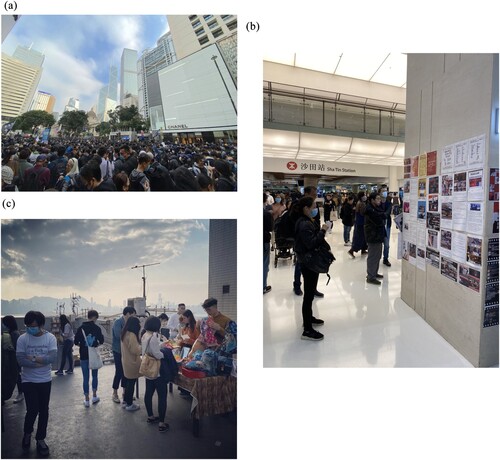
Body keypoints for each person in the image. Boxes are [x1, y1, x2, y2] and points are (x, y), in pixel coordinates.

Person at [16, 311, 57, 456]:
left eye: (33, 326)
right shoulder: (22, 339)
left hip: (45, 380)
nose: (30, 329)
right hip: (28, 380)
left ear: (41, 325)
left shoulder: (50, 338)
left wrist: (32, 358)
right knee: (32, 410)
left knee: (44, 410)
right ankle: (27, 433)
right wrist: (40, 361)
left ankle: (40, 439)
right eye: (28, 326)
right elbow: (21, 360)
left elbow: (51, 358)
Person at [294, 197, 330, 341]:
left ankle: (309, 318)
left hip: (308, 261)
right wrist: (323, 231)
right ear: (306, 208)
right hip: (308, 263)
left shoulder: (306, 221)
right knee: (308, 296)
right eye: (314, 206)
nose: (316, 208)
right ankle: (307, 330)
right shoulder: (304, 224)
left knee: (310, 294)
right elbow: (311, 243)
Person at [141, 316, 169, 432]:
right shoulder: (153, 337)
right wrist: (166, 352)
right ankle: (162, 423)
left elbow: (150, 349)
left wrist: (162, 345)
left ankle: (150, 416)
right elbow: (157, 355)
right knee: (162, 396)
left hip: (148, 367)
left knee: (149, 392)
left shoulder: (144, 335)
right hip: (156, 369)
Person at [74, 310, 104, 407]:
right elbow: (101, 341)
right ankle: (94, 396)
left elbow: (76, 342)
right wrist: (94, 345)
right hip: (93, 355)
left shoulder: (80, 328)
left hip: (83, 355)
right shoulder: (97, 328)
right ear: (94, 317)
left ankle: (87, 400)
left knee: (85, 378)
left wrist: (83, 346)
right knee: (95, 376)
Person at [111, 306, 136, 404]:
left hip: (126, 351)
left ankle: (125, 392)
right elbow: (119, 336)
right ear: (128, 314)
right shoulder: (118, 322)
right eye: (132, 315)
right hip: (118, 350)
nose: (133, 318)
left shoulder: (128, 323)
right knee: (119, 371)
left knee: (126, 371)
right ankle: (115, 392)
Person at [364, 192, 387, 285]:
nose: (379, 200)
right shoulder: (370, 209)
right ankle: (370, 277)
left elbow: (383, 216)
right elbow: (379, 221)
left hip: (377, 235)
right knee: (373, 256)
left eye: (379, 198)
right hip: (373, 236)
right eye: (377, 199)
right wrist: (383, 216)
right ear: (372, 200)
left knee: (377, 255)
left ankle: (374, 273)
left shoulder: (376, 208)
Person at [120, 316, 142, 411]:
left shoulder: (124, 333)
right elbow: (135, 350)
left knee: (128, 382)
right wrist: (142, 346)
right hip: (132, 362)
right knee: (131, 383)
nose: (140, 325)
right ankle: (130, 404)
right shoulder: (132, 335)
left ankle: (125, 402)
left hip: (126, 361)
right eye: (138, 323)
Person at [2, 315, 23, 403]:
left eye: (3, 323)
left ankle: (20, 394)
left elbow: (16, 348)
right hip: (11, 359)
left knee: (16, 376)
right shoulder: (12, 333)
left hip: (13, 360)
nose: (2, 325)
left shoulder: (14, 334)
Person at [348, 191, 368, 258]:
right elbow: (362, 213)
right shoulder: (361, 204)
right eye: (364, 195)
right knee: (359, 237)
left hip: (359, 222)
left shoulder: (359, 203)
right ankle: (352, 250)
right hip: (361, 222)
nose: (365, 196)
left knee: (362, 237)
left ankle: (363, 249)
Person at [379, 185, 393, 267]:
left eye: (385, 191)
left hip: (387, 225)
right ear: (379, 192)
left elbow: (387, 213)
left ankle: (385, 258)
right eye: (383, 191)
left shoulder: (389, 203)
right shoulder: (376, 202)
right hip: (379, 226)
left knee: (387, 244)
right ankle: (377, 258)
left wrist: (382, 214)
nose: (384, 192)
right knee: (378, 244)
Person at [264, 192, 273, 294]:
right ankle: (263, 286)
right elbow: (270, 228)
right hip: (264, 240)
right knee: (264, 263)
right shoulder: (266, 214)